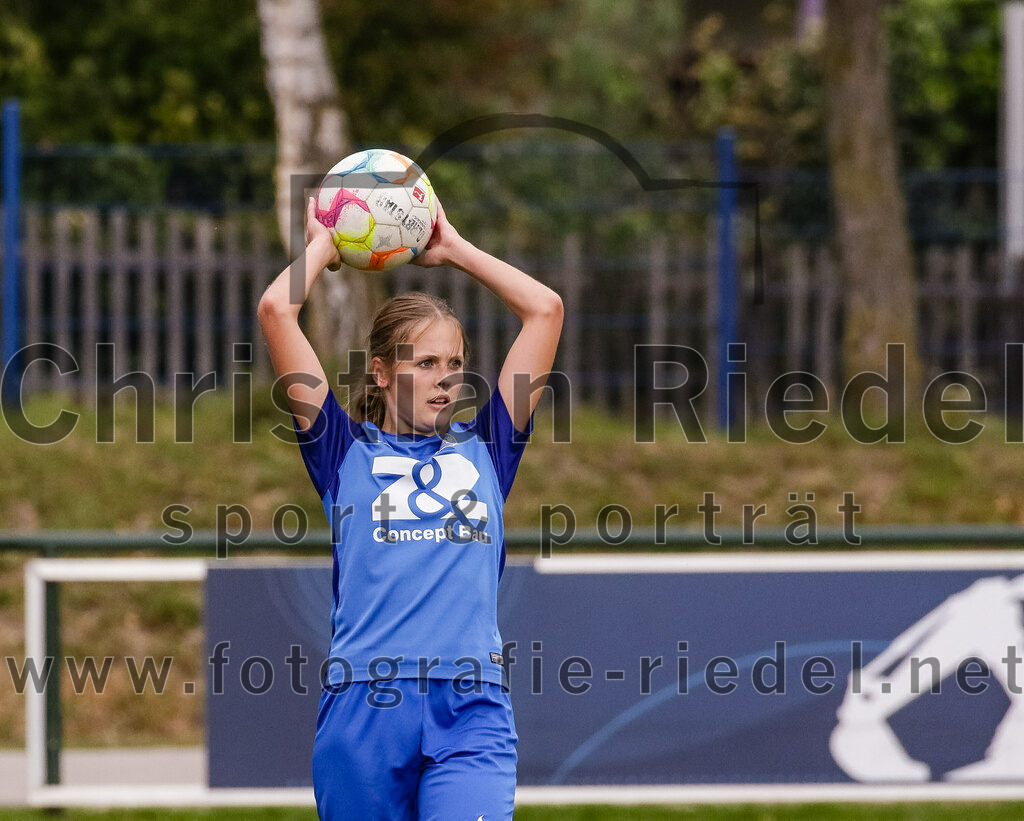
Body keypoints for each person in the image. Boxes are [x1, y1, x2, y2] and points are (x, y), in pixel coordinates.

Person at [257, 193, 563, 820]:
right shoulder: (341, 452)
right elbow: (275, 311)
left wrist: (453, 249)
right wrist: (323, 245)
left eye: (455, 364)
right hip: (365, 708)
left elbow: (545, 310)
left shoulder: (489, 450)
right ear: (379, 372)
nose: (446, 379)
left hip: (471, 709)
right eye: (425, 363)